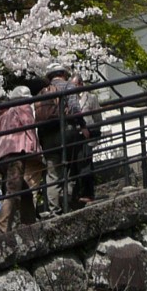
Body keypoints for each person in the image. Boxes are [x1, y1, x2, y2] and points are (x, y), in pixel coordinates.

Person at [0, 87, 44, 233]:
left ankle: (29, 221)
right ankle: (1, 226)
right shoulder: (23, 108)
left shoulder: (3, 116)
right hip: (16, 153)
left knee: (24, 191)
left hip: (2, 157)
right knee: (12, 190)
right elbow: (29, 127)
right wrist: (37, 151)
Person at [33, 66, 74, 215]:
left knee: (52, 174)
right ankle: (67, 203)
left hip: (45, 136)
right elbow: (74, 108)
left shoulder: (40, 93)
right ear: (63, 74)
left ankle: (53, 209)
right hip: (62, 132)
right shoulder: (68, 86)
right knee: (69, 168)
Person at [65, 75, 100, 207]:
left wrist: (93, 133)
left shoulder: (91, 98)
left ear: (81, 84)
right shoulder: (69, 99)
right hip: (74, 137)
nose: (73, 88)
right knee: (76, 166)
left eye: (75, 85)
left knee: (86, 164)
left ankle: (88, 194)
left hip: (87, 136)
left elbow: (97, 118)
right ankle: (78, 195)